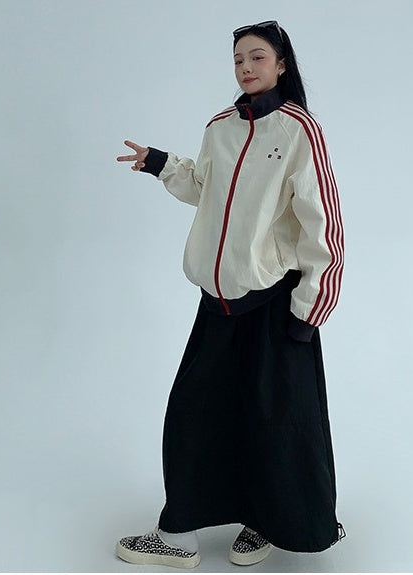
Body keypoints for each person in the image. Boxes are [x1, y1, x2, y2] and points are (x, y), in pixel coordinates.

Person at [115, 20, 346, 569]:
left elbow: (324, 223)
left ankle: (264, 521)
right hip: (217, 302)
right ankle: (178, 535)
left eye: (257, 57)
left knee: (277, 421)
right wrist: (161, 164)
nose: (246, 67)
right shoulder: (220, 127)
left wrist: (311, 308)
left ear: (282, 64)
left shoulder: (299, 130)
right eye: (239, 59)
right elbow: (205, 188)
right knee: (194, 412)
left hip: (276, 304)